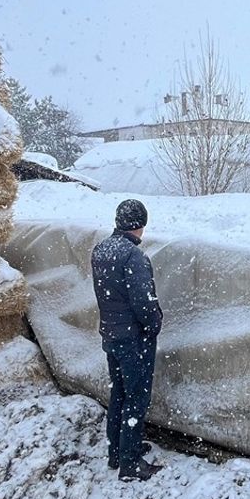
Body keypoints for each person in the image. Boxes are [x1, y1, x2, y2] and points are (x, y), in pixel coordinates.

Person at [91, 199, 165, 481]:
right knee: (136, 397)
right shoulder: (133, 256)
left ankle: (117, 450)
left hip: (111, 334)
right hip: (133, 339)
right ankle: (131, 462)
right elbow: (143, 302)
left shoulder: (102, 249)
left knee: (119, 393)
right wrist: (154, 324)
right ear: (141, 225)